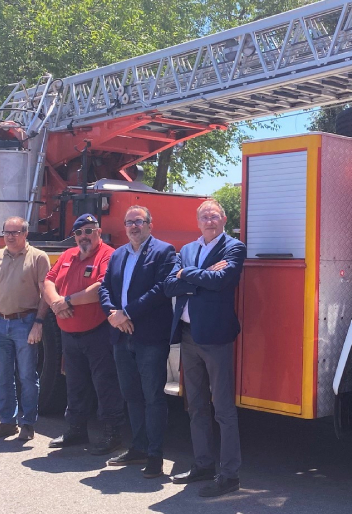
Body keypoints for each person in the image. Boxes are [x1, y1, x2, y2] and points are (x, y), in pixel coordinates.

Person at [165, 199, 247, 497]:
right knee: (195, 405)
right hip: (187, 335)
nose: (209, 221)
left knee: (223, 409)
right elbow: (168, 286)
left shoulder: (234, 248)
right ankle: (203, 465)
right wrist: (199, 276)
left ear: (224, 219)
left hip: (215, 337)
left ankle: (229, 475)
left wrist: (186, 274)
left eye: (214, 216)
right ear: (197, 222)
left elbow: (224, 280)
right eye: (204, 217)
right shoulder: (187, 250)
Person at [99, 205, 178, 479]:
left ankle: (155, 456)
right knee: (131, 395)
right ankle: (138, 447)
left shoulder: (164, 251)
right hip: (121, 335)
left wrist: (127, 313)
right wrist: (114, 315)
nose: (133, 226)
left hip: (150, 337)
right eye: (129, 222)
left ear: (149, 225)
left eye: (139, 221)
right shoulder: (118, 253)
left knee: (153, 396)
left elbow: (161, 290)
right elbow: (105, 286)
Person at [42, 213, 124, 455]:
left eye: (89, 230)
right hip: (69, 334)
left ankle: (112, 434)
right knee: (75, 383)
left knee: (105, 384)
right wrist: (56, 302)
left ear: (99, 231)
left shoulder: (108, 254)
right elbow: (48, 281)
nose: (84, 236)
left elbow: (100, 288)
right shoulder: (68, 255)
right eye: (79, 232)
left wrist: (67, 301)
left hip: (98, 332)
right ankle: (76, 429)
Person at [0, 217, 52, 442]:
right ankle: (7, 422)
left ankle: (28, 423)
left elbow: (45, 292)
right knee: (3, 377)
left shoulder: (38, 257)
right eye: (7, 232)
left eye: (16, 232)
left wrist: (39, 323)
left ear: (26, 233)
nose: (10, 236)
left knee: (27, 376)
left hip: (25, 322)